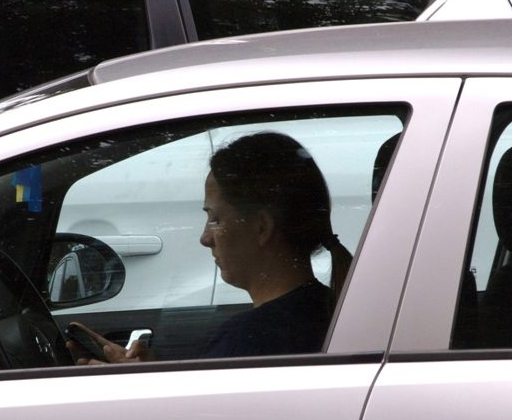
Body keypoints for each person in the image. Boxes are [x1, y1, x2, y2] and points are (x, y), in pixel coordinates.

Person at [69, 131, 352, 364]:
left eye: (215, 219)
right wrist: (151, 372)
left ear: (261, 227)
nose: (205, 238)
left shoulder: (248, 339)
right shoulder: (328, 310)